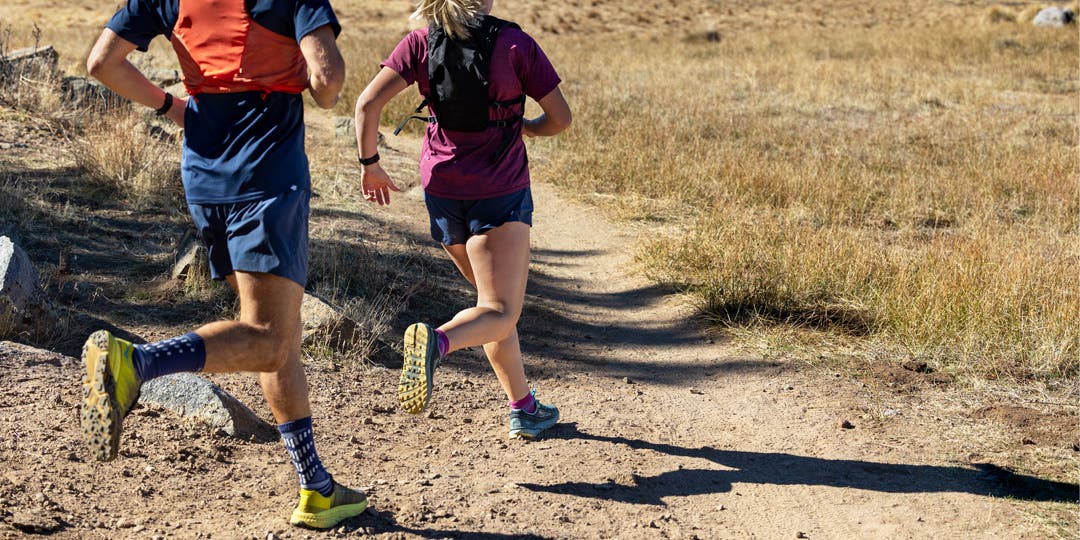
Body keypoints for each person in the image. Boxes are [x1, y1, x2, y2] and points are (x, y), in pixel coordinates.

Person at [79, 0, 367, 529]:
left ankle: (316, 486)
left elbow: (101, 63)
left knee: (276, 331)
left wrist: (173, 106)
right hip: (267, 175)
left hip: (205, 173)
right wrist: (306, 75)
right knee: (271, 336)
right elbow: (328, 82)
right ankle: (137, 364)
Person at [353, 0, 571, 439]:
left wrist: (370, 164)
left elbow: (365, 105)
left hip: (443, 190)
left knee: (489, 304)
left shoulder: (419, 42)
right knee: (500, 310)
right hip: (499, 190)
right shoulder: (515, 43)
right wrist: (523, 125)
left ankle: (524, 407)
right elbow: (561, 119)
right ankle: (438, 342)